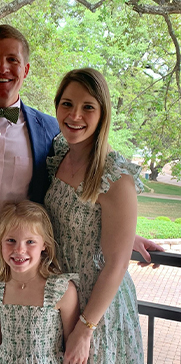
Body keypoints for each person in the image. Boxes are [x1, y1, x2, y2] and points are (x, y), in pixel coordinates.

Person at [0, 26, 162, 363]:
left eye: (12, 59)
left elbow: (80, 198)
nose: (2, 67)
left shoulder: (52, 132)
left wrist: (124, 235)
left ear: (26, 69)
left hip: (18, 274)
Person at [44, 68, 145, 363]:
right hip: (60, 297)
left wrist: (85, 329)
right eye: (67, 104)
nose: (75, 115)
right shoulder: (59, 153)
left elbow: (117, 263)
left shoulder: (115, 175)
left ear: (102, 113)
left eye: (88, 107)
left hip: (97, 309)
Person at [0, 200, 80, 364]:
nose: (19, 250)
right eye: (11, 240)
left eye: (30, 242)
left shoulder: (61, 290)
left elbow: (72, 345)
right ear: (0, 242)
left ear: (45, 245)